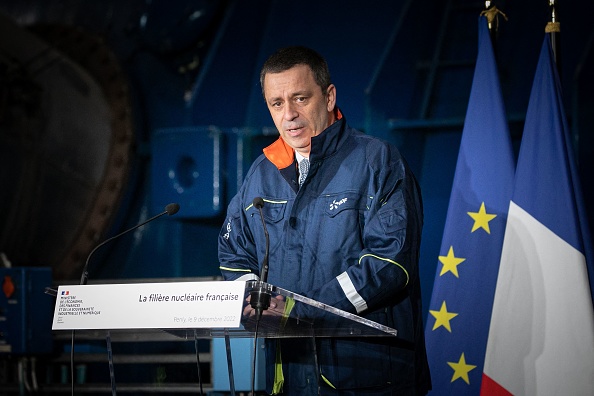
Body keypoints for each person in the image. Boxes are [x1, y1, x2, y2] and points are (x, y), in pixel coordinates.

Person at [218, 46, 431, 395]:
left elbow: (390, 262)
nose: (289, 115)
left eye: (300, 98)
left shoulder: (377, 161)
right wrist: (256, 301)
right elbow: (234, 252)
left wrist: (302, 311)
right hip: (288, 376)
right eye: (277, 103)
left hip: (365, 377)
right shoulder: (261, 174)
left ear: (329, 97)